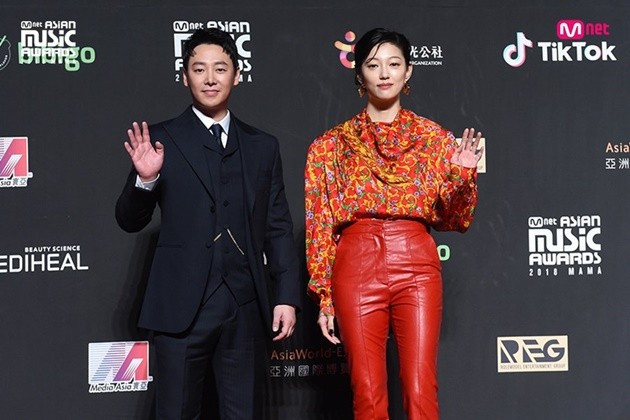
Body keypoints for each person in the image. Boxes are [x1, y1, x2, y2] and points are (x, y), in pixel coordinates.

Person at [115, 28, 300, 419]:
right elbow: (129, 220)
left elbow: (278, 226)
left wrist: (285, 295)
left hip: (244, 307)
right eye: (199, 69)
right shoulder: (160, 139)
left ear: (237, 74)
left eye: (221, 68)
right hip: (181, 308)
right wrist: (145, 180)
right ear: (185, 76)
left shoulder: (262, 145)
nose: (211, 78)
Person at [305, 28, 483, 419]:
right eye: (373, 64)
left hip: (416, 263)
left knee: (421, 388)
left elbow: (457, 219)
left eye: (394, 63)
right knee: (367, 393)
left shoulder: (434, 138)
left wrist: (463, 176)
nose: (384, 73)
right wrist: (324, 295)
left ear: (408, 72)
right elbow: (320, 223)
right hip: (355, 265)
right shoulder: (329, 146)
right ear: (359, 75)